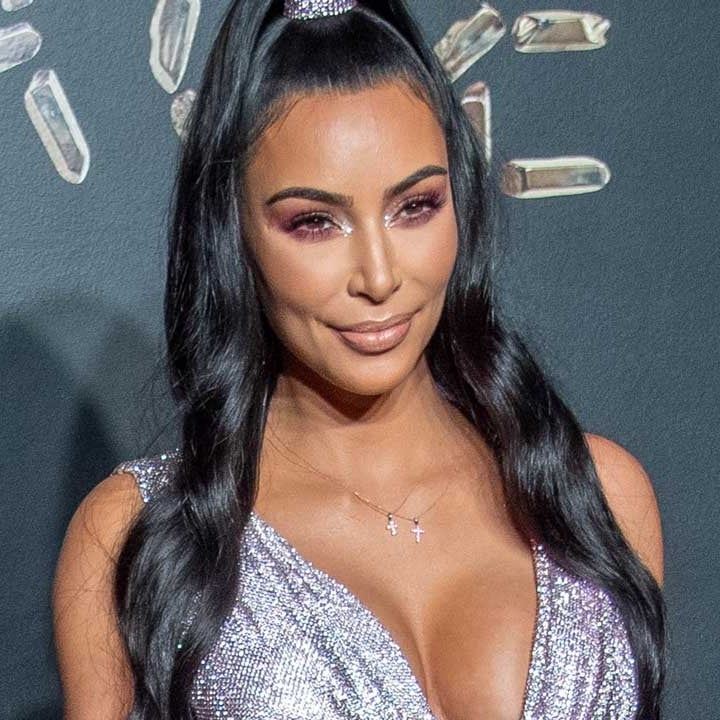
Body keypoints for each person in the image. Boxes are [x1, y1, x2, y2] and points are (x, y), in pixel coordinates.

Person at [52, 0, 666, 718]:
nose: (378, 276)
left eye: (416, 207)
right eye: (315, 222)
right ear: (232, 233)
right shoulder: (140, 535)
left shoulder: (597, 498)